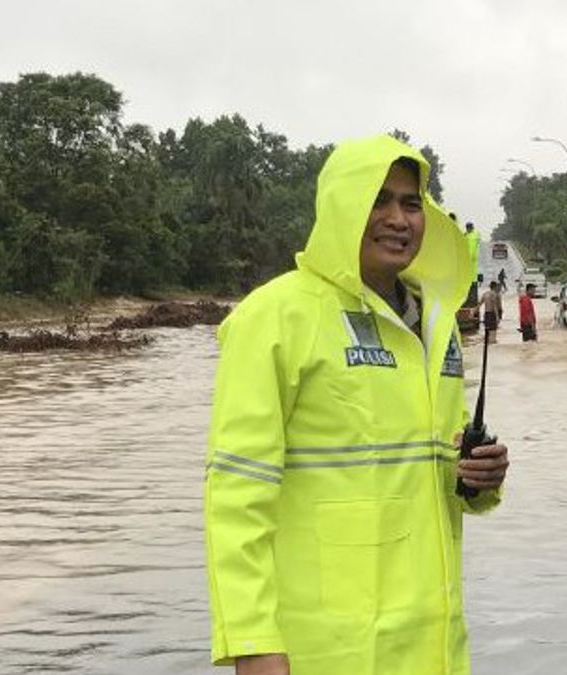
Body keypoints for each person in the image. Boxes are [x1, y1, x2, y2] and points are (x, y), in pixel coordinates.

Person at [204, 134, 510, 675]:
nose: (398, 218)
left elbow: (437, 468)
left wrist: (481, 479)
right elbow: (237, 491)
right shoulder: (275, 317)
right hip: (323, 648)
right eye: (379, 200)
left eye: (411, 203)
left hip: (431, 641)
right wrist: (252, 642)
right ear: (343, 205)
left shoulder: (437, 326)